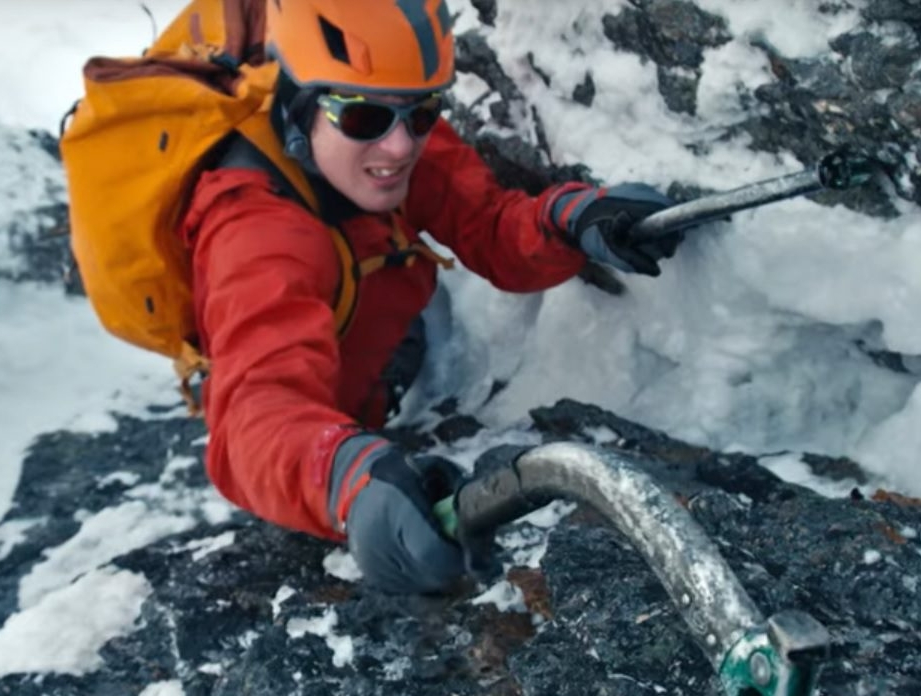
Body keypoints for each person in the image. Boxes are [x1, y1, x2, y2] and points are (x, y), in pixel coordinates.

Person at [180, 0, 680, 595]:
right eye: (364, 117)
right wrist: (345, 479)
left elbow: (488, 226)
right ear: (298, 106)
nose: (400, 146)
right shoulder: (256, 233)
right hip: (309, 412)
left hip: (374, 344)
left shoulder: (385, 135)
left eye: (422, 112)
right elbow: (251, 418)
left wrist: (572, 219)